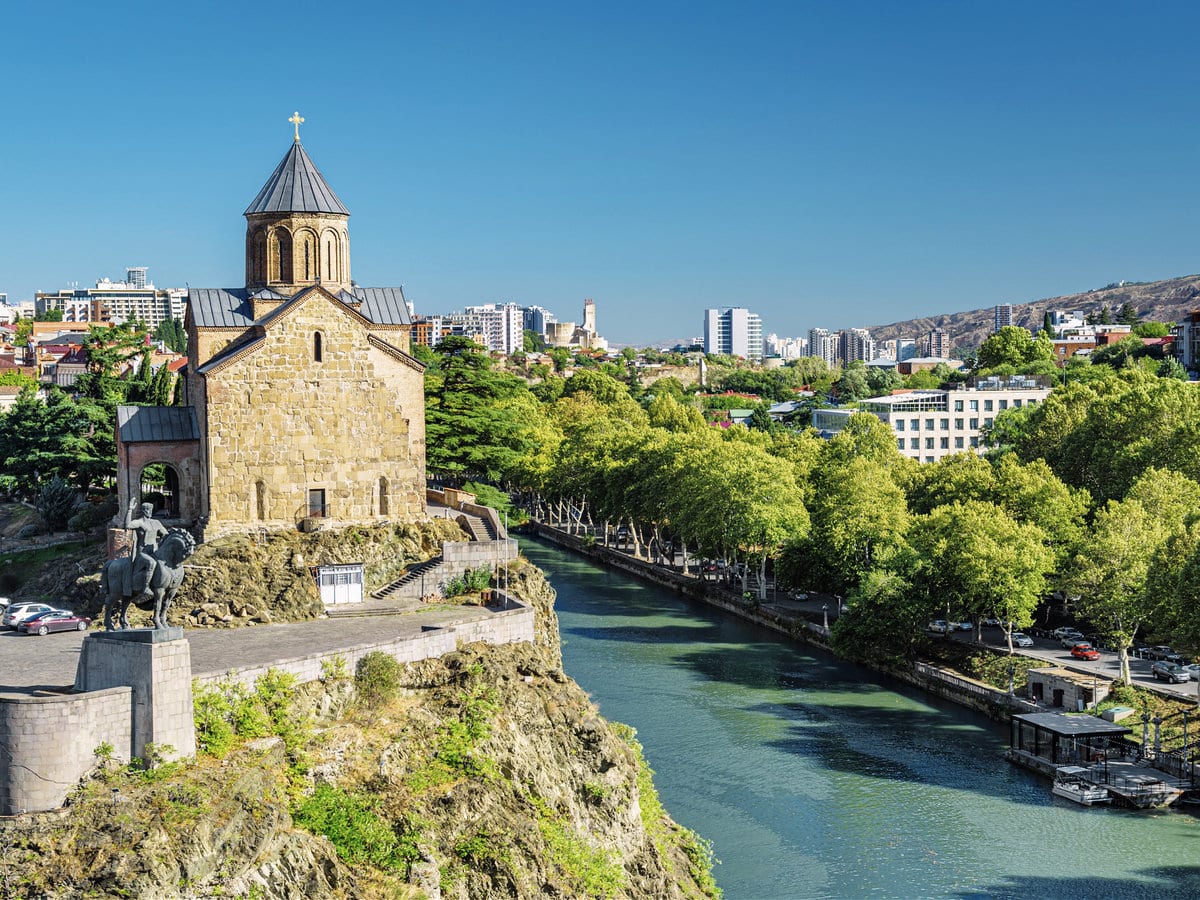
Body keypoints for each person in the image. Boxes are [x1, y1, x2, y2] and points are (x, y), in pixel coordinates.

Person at [124, 498, 169, 597]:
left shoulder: (156, 522)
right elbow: (127, 525)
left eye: (151, 510)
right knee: (151, 563)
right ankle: (145, 587)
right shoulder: (140, 522)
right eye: (148, 510)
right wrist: (130, 509)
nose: (150, 512)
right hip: (142, 552)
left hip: (154, 550)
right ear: (144, 511)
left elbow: (165, 534)